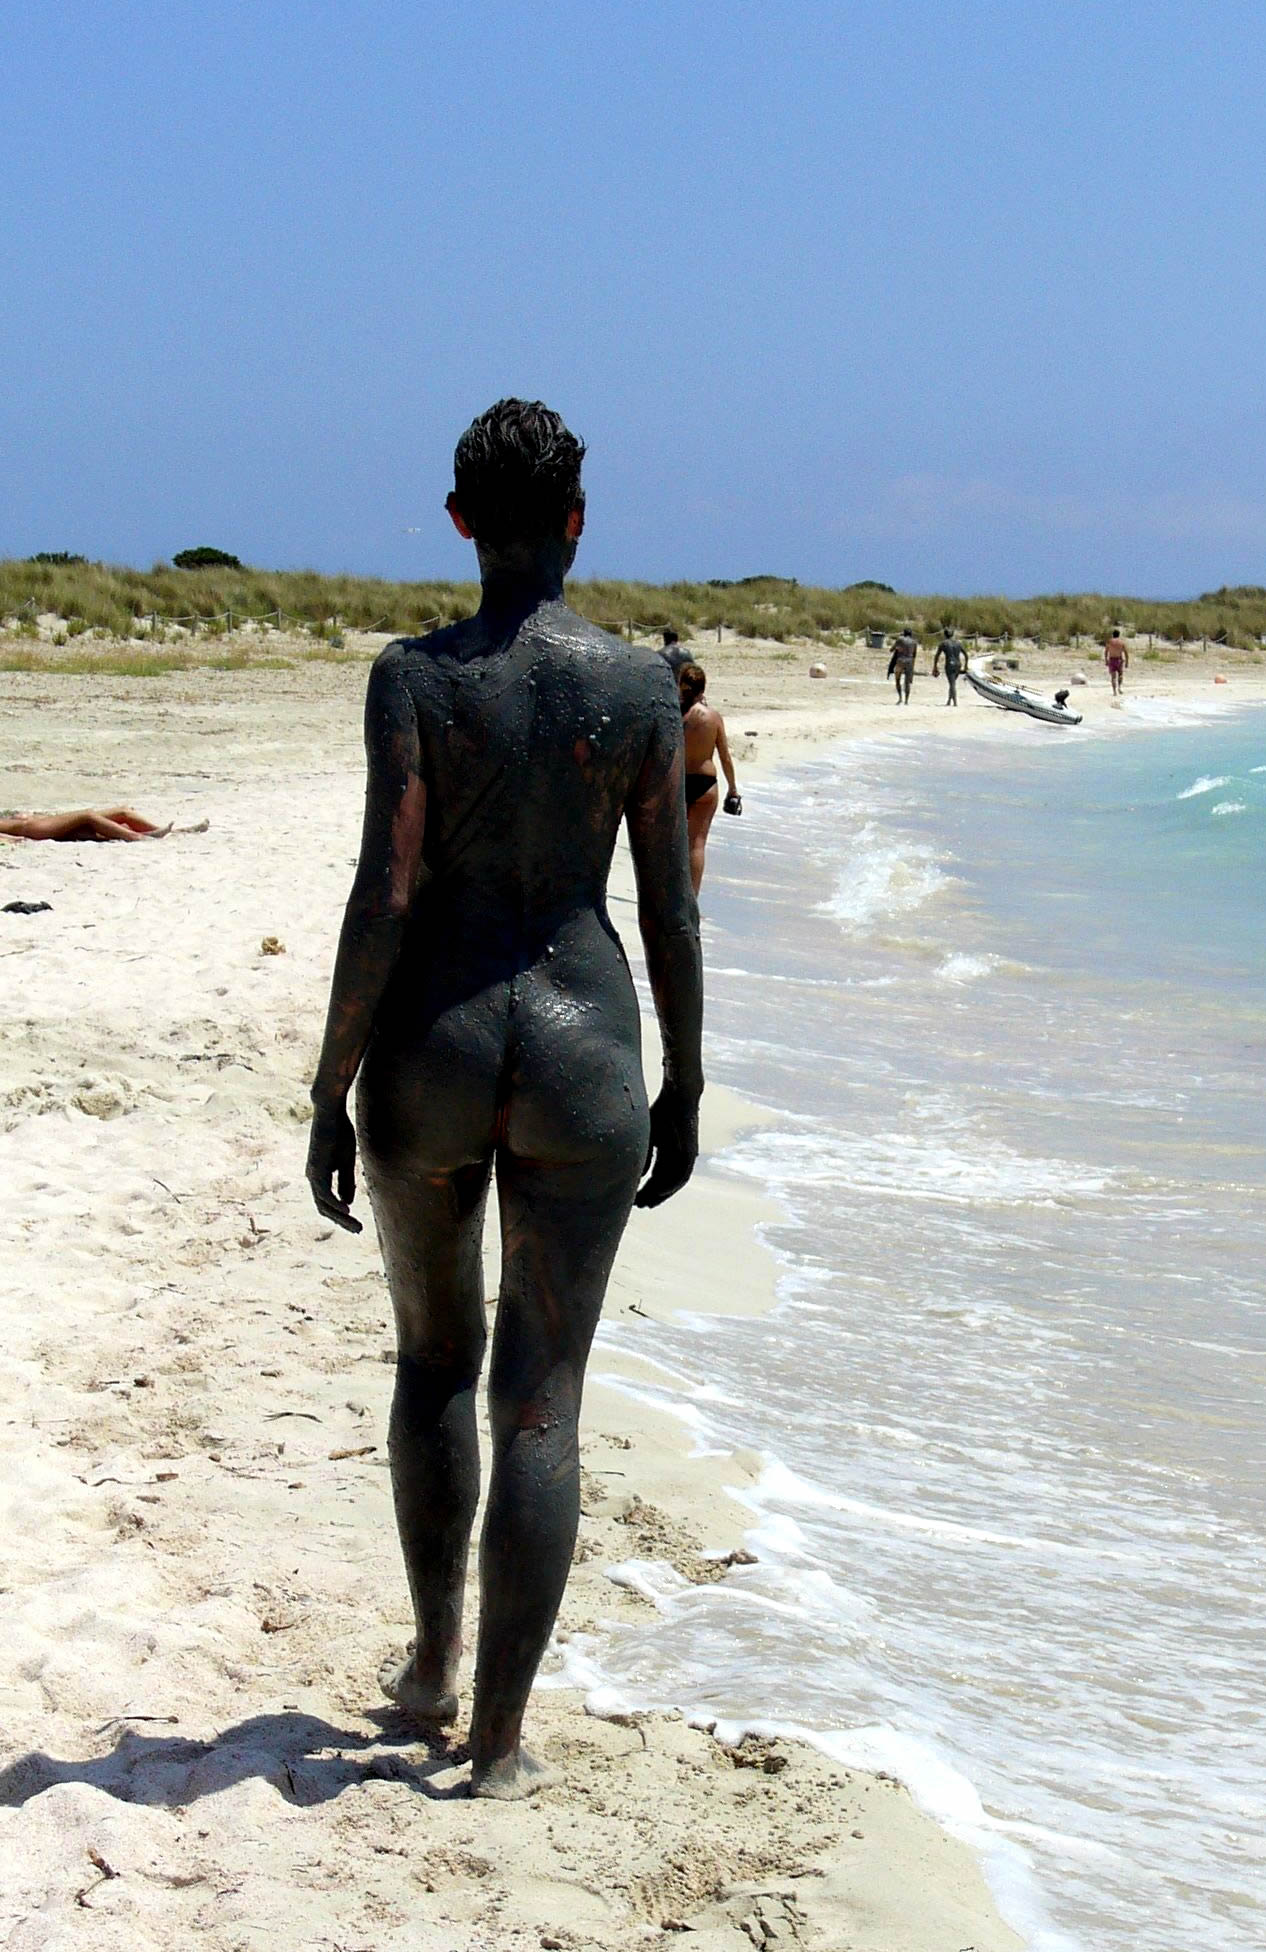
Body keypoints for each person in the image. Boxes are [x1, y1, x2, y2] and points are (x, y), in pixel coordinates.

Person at [305, 399, 703, 1801]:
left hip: (437, 1045)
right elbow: (667, 917)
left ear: (462, 518)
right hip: (585, 1047)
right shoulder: (645, 691)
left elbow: (386, 892)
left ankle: (428, 1668)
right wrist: (690, 1079)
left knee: (432, 1367)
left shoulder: (415, 681)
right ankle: (501, 1740)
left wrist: (331, 1080)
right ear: (580, 521)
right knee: (543, 1400)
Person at [677, 660, 740, 895]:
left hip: (679, 782)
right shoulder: (713, 717)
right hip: (705, 784)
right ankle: (691, 900)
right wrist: (733, 788)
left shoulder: (674, 714)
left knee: (677, 842)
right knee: (697, 844)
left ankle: (674, 895)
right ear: (703, 688)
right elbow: (725, 757)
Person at [1, 806, 174, 841]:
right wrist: (11, 840)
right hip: (34, 829)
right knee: (88, 816)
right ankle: (136, 837)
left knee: (123, 812)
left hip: (45, 823)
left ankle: (171, 832)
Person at [933, 628, 969, 705]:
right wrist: (966, 666)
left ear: (945, 634)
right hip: (958, 664)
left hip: (950, 664)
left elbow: (937, 656)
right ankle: (949, 700)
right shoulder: (958, 643)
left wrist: (935, 666)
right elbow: (966, 655)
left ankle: (955, 701)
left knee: (952, 683)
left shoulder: (943, 643)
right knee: (952, 682)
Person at [887, 630, 918, 704]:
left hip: (900, 660)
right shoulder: (914, 642)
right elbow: (914, 655)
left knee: (898, 680)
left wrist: (897, 649)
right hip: (909, 661)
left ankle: (900, 698)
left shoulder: (900, 639)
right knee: (907, 682)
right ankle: (906, 700)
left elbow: (891, 649)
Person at [1104, 629, 1129, 696]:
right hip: (1119, 660)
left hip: (1112, 660)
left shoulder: (1110, 641)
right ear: (1119, 635)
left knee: (1113, 677)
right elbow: (1126, 653)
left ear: (1113, 634)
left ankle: (1114, 691)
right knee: (1120, 675)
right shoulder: (1121, 642)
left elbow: (1106, 651)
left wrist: (1106, 660)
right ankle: (1119, 687)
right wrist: (1127, 662)